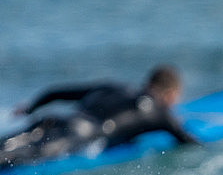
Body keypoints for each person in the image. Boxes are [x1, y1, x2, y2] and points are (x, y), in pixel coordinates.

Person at [0, 64, 197, 169]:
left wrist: (29, 109)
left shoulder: (112, 87)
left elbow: (55, 92)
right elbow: (187, 140)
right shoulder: (159, 113)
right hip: (77, 134)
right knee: (19, 157)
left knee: (6, 145)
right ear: (171, 95)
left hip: (54, 120)